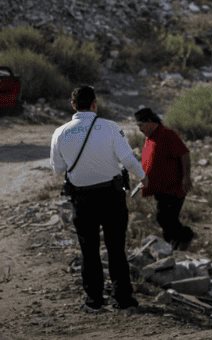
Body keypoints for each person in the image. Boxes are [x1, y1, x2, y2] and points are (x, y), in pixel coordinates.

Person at [50, 86, 147, 313]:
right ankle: (123, 299)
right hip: (111, 196)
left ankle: (94, 300)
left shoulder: (60, 132)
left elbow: (58, 169)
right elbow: (128, 159)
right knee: (116, 248)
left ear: (73, 105)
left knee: (89, 250)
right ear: (95, 104)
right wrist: (144, 177)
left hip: (82, 199)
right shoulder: (110, 127)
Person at [134, 107, 194, 250]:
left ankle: (183, 238)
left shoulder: (167, 135)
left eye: (140, 125)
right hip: (160, 188)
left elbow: (184, 154)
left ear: (149, 121)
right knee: (164, 218)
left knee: (166, 218)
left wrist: (186, 177)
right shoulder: (150, 138)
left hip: (174, 187)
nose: (140, 129)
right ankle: (175, 244)